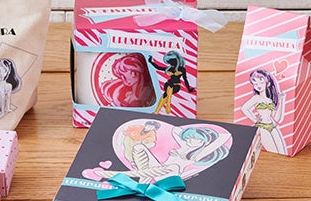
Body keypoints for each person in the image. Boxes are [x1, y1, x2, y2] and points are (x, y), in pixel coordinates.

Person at [93, 125, 230, 183]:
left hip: (170, 174)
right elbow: (175, 130)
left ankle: (115, 174)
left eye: (193, 138)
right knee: (139, 147)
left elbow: (226, 136)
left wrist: (208, 141)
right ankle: (141, 183)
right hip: (157, 170)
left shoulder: (197, 155)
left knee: (174, 166)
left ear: (202, 142)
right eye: (188, 137)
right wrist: (188, 135)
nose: (188, 140)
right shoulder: (184, 145)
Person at [240, 69, 287, 154]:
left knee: (282, 151)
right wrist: (255, 120)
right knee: (273, 151)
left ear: (267, 83)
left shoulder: (270, 100)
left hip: (272, 126)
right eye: (255, 83)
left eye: (261, 82)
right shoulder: (256, 98)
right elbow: (244, 108)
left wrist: (281, 101)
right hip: (261, 127)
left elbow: (276, 118)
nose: (258, 85)